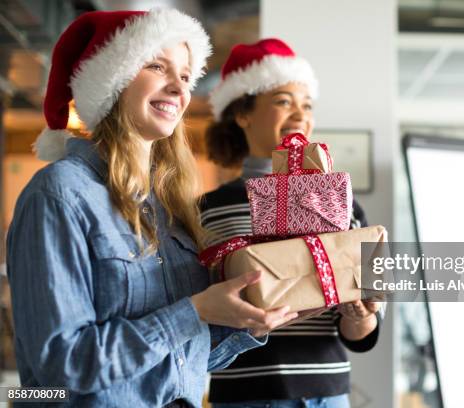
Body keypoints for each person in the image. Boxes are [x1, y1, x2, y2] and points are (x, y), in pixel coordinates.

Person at [6, 10, 296, 408]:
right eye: (157, 66)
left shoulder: (169, 206)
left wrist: (243, 320)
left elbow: (179, 360)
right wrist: (193, 312)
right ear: (112, 79)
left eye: (185, 75)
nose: (178, 87)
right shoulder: (59, 194)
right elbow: (62, 365)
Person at [201, 38, 383, 408]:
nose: (300, 115)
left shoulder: (343, 203)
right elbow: (199, 312)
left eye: (307, 104)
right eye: (284, 101)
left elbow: (362, 333)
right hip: (246, 396)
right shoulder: (206, 208)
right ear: (243, 113)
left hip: (329, 395)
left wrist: (361, 315)